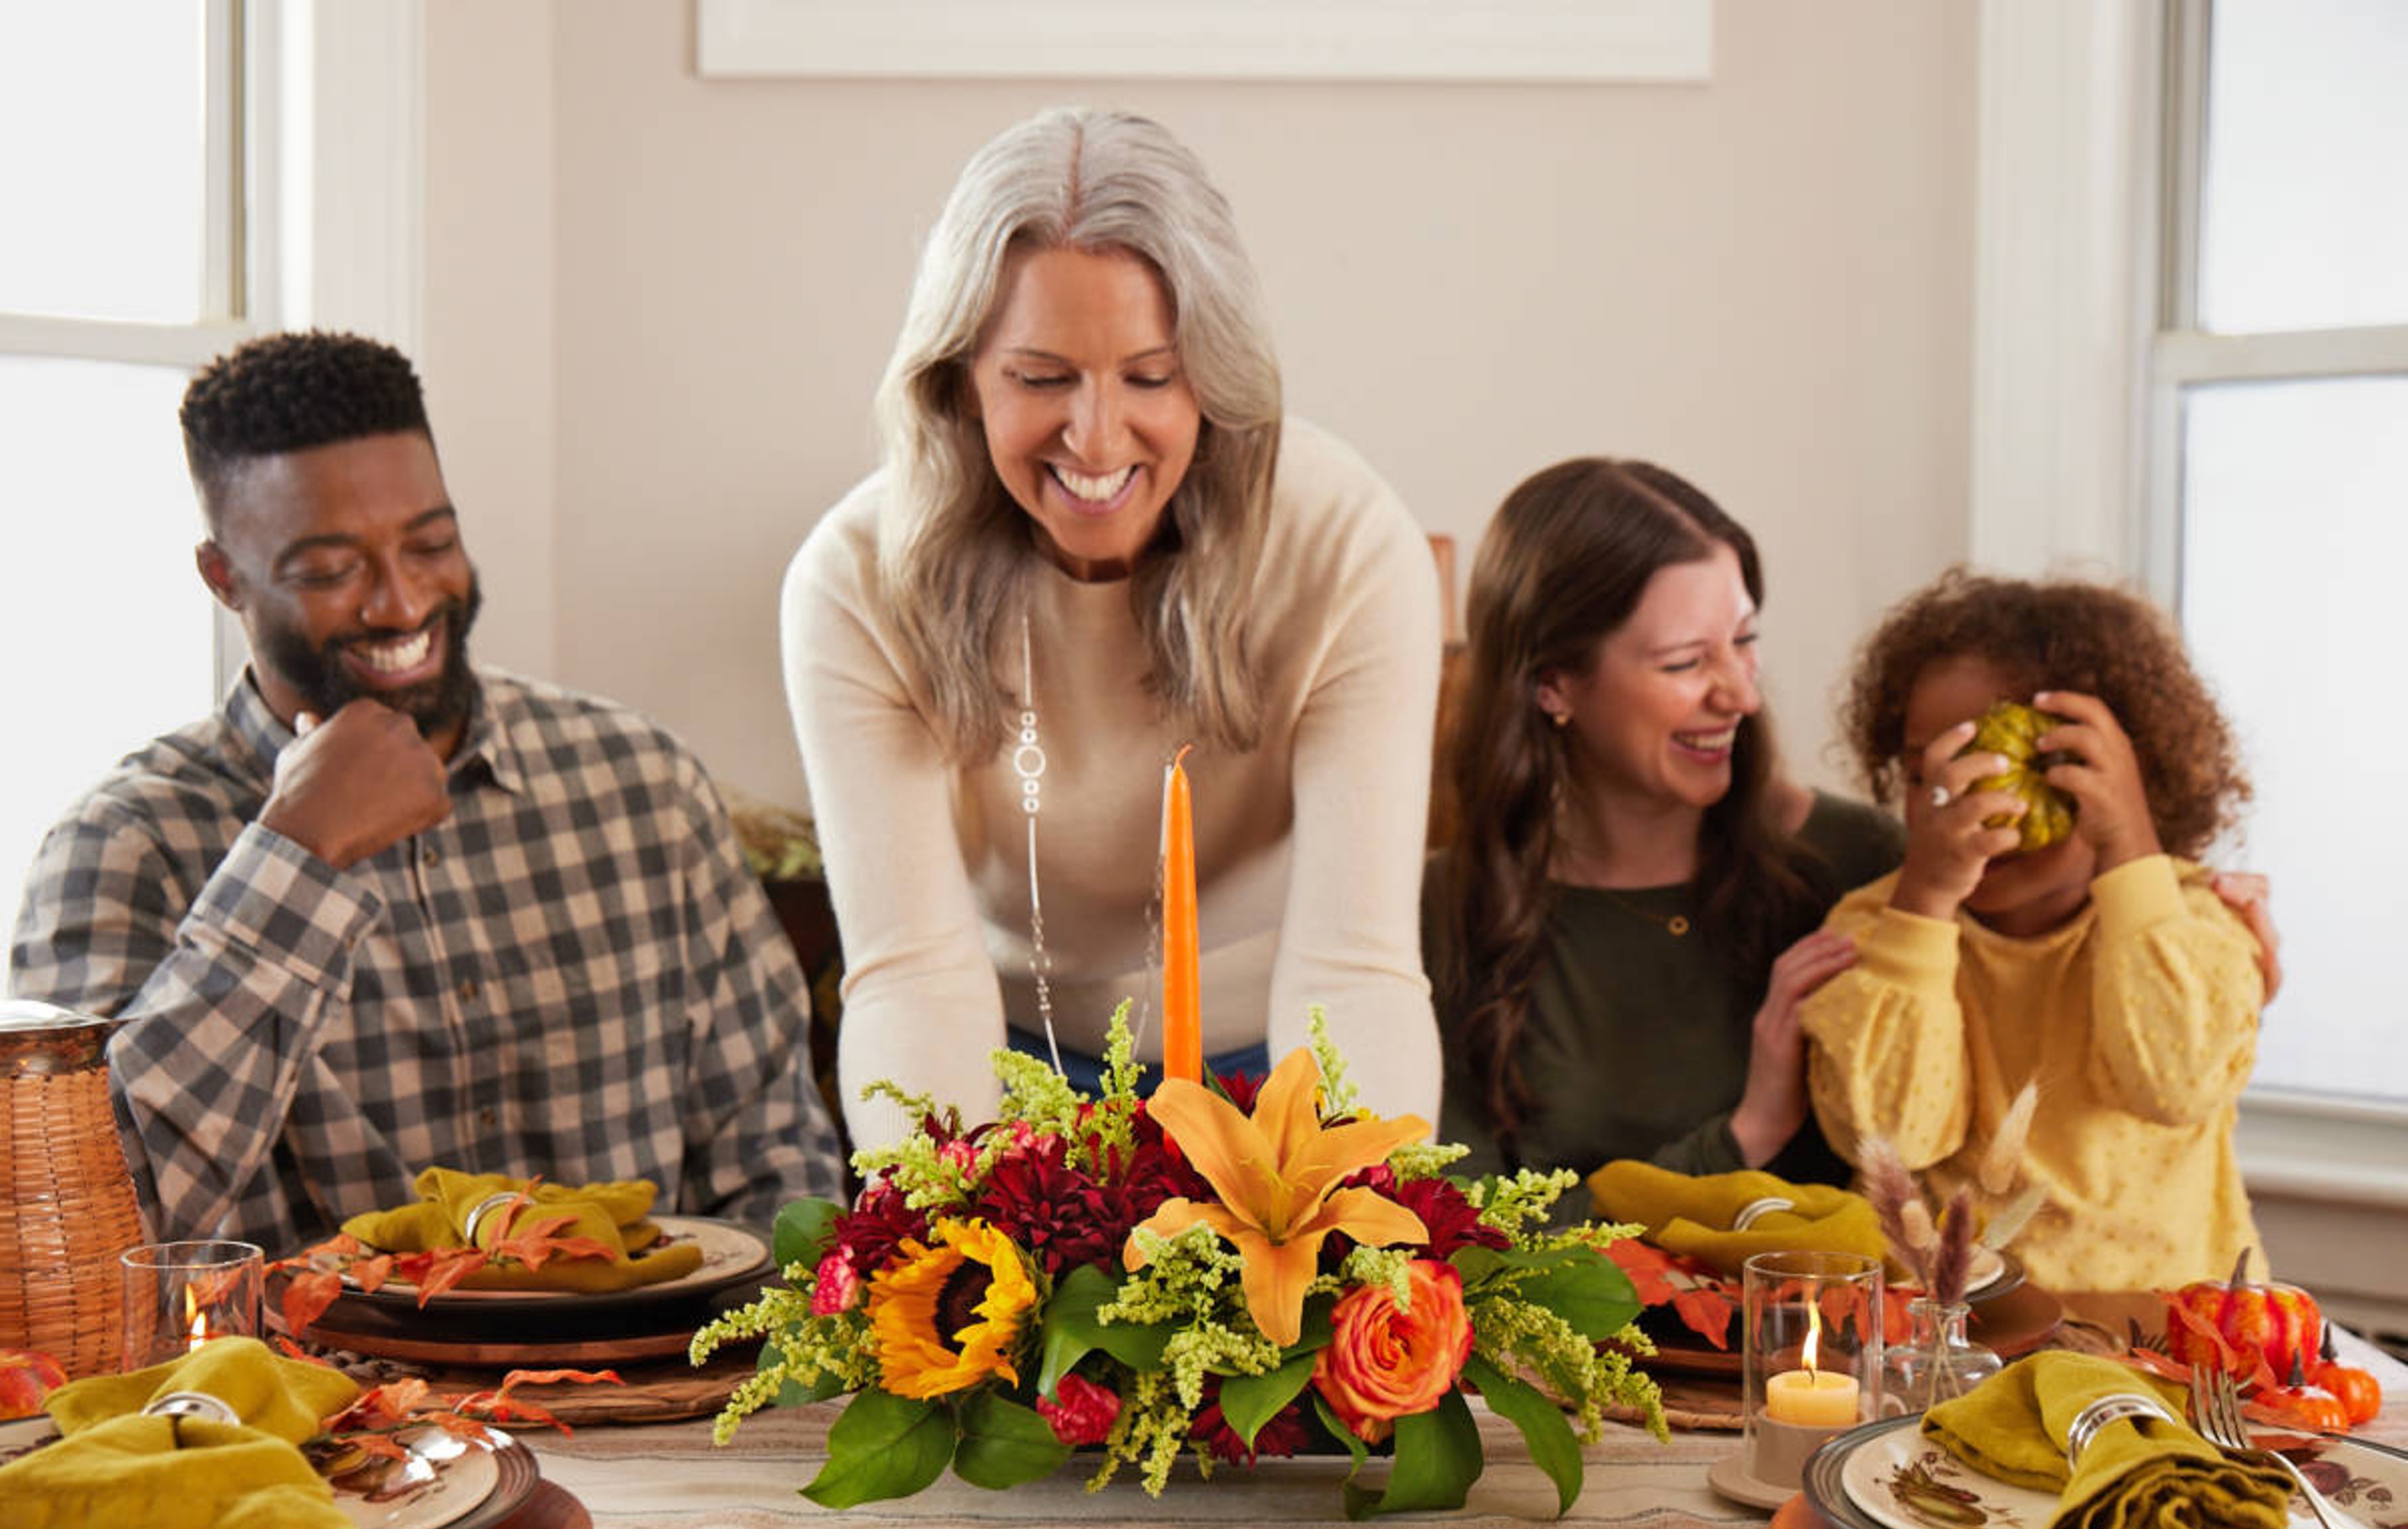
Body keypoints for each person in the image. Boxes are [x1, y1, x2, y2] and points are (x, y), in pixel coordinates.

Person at [9, 331, 845, 1249]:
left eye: (431, 543)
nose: (401, 603)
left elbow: (778, 1164)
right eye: (330, 571)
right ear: (224, 578)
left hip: (664, 1392)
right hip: (319, 1394)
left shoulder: (642, 783)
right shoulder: (123, 850)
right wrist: (295, 858)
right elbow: (69, 1238)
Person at [784, 108, 1442, 1150]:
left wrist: (1370, 1246)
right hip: (997, 1061)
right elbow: (912, 970)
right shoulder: (855, 579)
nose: (1095, 437)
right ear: (960, 376)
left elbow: (1355, 968)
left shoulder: (1347, 543)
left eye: (1150, 376)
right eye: (1040, 378)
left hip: (1266, 1071)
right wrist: (953, 1230)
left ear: (1213, 375)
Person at [1424, 458, 1900, 1190]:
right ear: (1553, 684)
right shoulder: (1444, 912)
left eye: (1744, 639)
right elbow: (1474, 1254)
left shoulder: (1860, 864)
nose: (1742, 695)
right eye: (1685, 662)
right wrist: (1748, 1131)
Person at [1802, 569, 2264, 1292]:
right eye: (1935, 775)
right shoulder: (1875, 932)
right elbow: (1893, 1135)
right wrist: (1923, 906)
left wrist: (2133, 852)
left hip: (2175, 1336)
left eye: (2032, 768)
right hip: (1961, 1340)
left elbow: (2177, 1086)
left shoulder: (2190, 919)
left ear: (2129, 772)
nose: (1982, 809)